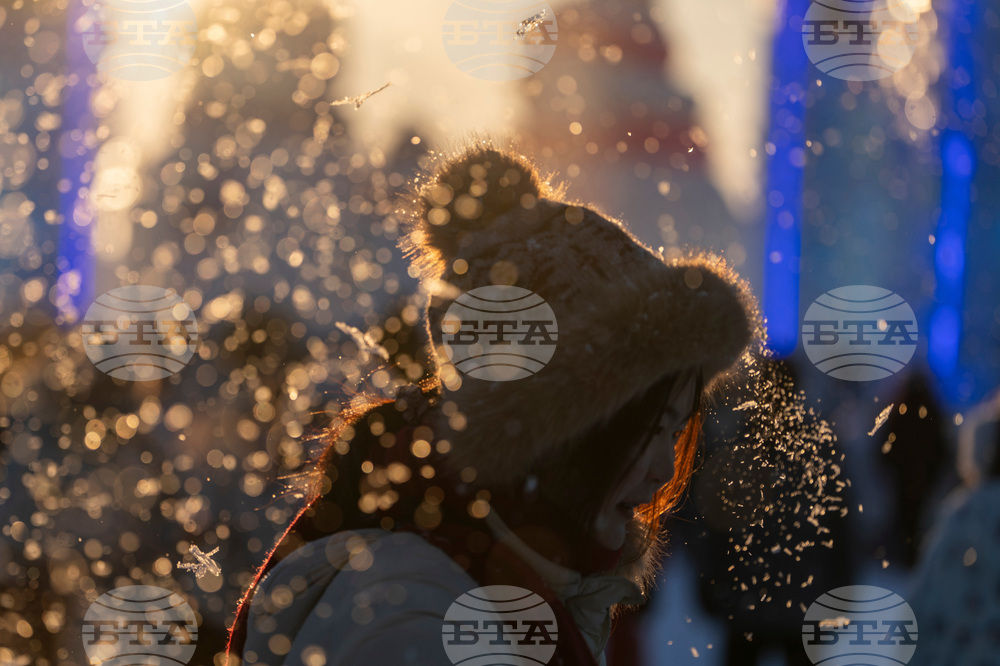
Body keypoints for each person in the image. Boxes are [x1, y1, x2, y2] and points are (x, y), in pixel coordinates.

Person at [226, 140, 761, 665]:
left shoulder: (487, 584)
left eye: (673, 433)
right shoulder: (419, 616)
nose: (664, 469)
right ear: (553, 430)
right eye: (649, 431)